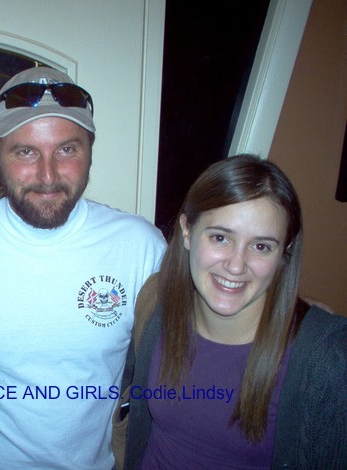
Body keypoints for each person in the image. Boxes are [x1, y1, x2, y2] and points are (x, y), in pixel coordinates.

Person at [0, 66, 166, 468]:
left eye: (67, 150)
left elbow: (175, 370)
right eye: (25, 152)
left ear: (90, 151)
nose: (48, 175)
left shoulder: (140, 247)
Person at [113, 154, 347, 469]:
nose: (236, 265)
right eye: (220, 238)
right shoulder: (156, 305)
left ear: (285, 252)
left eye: (261, 246)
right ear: (187, 231)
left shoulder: (328, 363)